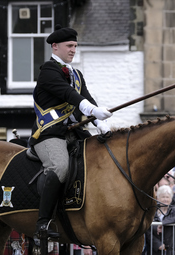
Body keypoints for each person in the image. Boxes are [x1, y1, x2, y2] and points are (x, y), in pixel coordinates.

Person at [29, 25, 112, 244]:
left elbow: (87, 98)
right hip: (49, 134)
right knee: (60, 167)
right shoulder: (48, 70)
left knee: (105, 155)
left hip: (73, 133)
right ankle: (42, 224)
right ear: (55, 47)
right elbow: (69, 95)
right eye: (69, 46)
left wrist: (100, 124)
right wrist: (92, 111)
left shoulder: (77, 74)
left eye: (75, 46)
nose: (73, 50)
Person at [145, 185, 175, 255]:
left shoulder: (174, 210)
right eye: (163, 197)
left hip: (171, 250)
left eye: (167, 197)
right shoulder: (152, 212)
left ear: (171, 199)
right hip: (155, 250)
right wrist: (157, 244)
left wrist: (163, 223)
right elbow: (148, 230)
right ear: (158, 198)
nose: (165, 199)